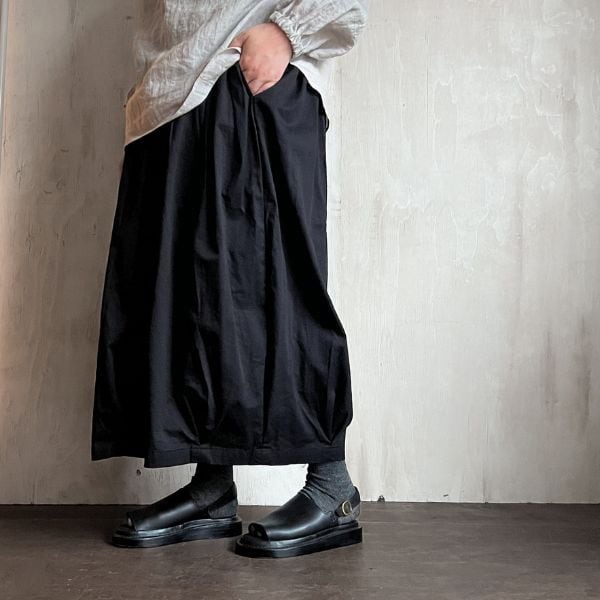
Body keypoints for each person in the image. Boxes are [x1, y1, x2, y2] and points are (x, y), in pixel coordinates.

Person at [91, 0, 368, 558]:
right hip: (171, 99)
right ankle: (212, 488)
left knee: (277, 290)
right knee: (189, 304)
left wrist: (287, 30)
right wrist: (143, 113)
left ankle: (332, 488)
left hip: (251, 79)